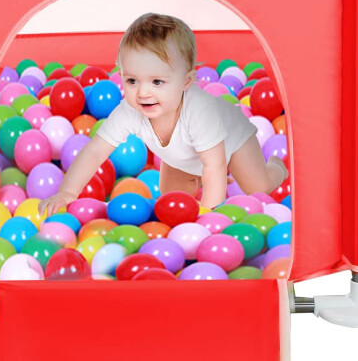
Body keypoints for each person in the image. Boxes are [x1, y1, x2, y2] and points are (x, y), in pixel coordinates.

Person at [37, 13, 288, 217]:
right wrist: (67, 193)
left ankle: (276, 167)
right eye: (132, 80)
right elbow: (94, 152)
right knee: (172, 198)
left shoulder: (199, 112)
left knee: (259, 187)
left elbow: (215, 165)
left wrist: (209, 216)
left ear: (186, 81)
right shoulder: (130, 110)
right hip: (185, 154)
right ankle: (198, 178)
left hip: (232, 141)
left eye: (157, 82)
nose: (143, 93)